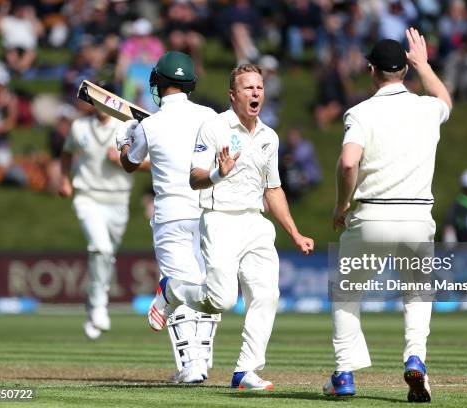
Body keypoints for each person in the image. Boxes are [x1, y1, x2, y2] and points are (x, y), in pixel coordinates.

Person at [147, 63, 315, 390]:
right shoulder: (213, 128)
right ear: (233, 95)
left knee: (266, 294)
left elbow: (273, 189)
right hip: (220, 219)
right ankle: (171, 290)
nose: (255, 93)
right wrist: (217, 174)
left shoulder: (269, 136)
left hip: (255, 221)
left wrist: (294, 232)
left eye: (259, 88)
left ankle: (245, 371)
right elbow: (194, 178)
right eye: (248, 88)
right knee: (221, 300)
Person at [327, 28, 452, 402]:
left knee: (346, 293)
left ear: (371, 70)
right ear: (405, 71)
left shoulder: (360, 112)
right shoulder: (427, 108)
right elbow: (444, 98)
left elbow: (349, 162)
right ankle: (415, 357)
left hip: (372, 217)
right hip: (417, 219)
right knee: (416, 293)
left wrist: (341, 204)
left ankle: (345, 374)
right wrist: (424, 64)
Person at [117, 51, 220, 384]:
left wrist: (126, 138)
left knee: (178, 288)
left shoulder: (150, 125)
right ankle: (200, 361)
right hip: (209, 211)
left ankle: (191, 366)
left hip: (172, 215)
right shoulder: (211, 116)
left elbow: (130, 163)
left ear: (158, 83)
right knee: (206, 289)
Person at [59, 86, 147, 341]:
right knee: (100, 248)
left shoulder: (131, 128)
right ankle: (99, 306)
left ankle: (94, 305)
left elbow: (151, 164)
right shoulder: (79, 128)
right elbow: (66, 153)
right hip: (87, 196)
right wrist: (65, 180)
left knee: (107, 256)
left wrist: (123, 160)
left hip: (118, 200)